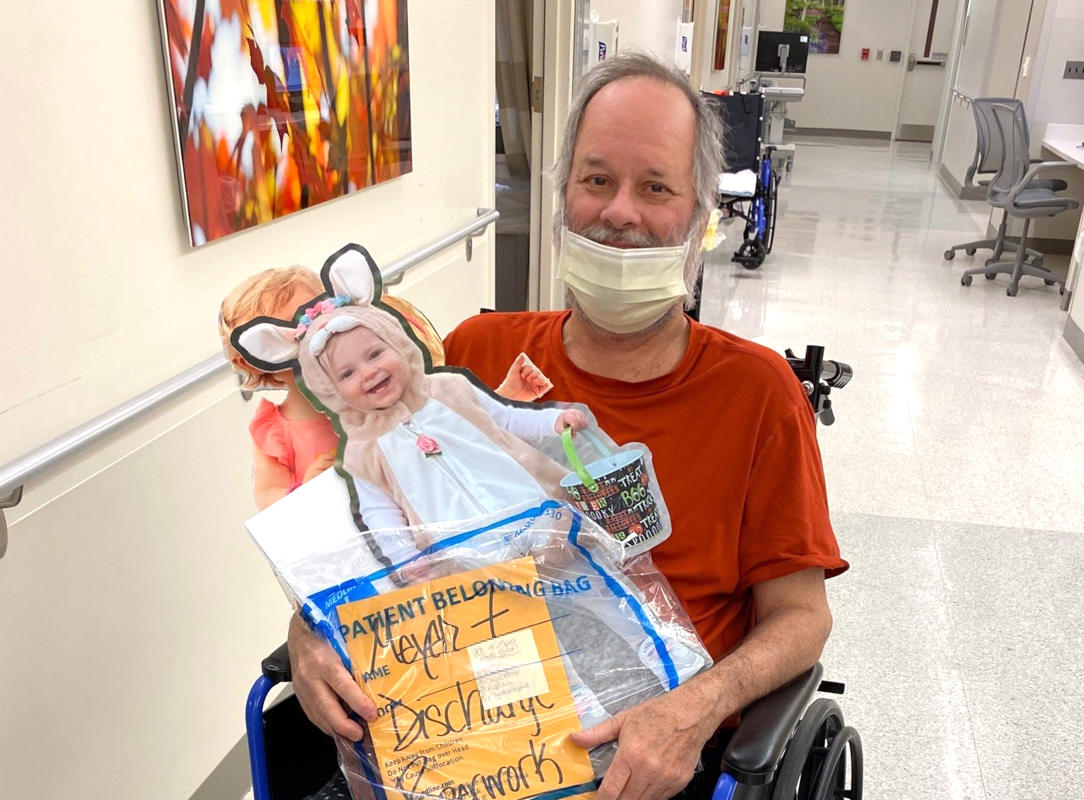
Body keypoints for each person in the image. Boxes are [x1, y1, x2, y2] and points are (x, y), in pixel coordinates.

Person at [286, 52, 847, 800]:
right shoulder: (472, 358)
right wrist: (308, 635)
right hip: (462, 725)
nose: (620, 212)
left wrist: (693, 710)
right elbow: (368, 534)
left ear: (699, 219)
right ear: (562, 203)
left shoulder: (756, 392)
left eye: (655, 186)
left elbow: (801, 616)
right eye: (595, 180)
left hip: (639, 754)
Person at [219, 267, 553, 510]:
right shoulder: (274, 433)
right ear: (264, 360)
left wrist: (504, 398)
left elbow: (458, 428)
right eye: (299, 332)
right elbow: (270, 508)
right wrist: (309, 489)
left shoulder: (383, 393)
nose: (323, 335)